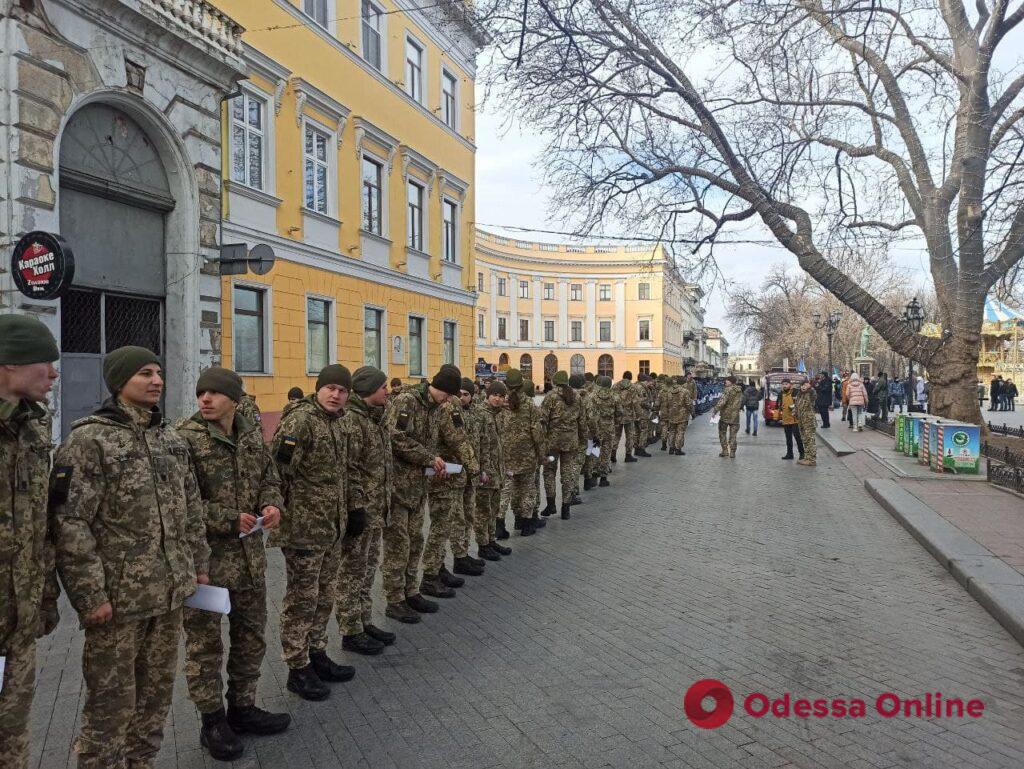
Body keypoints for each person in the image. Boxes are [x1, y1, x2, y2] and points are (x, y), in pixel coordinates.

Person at [52, 346, 211, 769]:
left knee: (155, 698)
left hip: (171, 592)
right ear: (119, 381)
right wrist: (90, 596)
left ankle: (142, 763)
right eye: (145, 373)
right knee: (111, 705)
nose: (157, 380)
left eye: (159, 372)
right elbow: (70, 522)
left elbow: (191, 508)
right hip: (120, 602)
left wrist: (199, 566)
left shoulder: (170, 438)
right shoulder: (89, 439)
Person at [178, 367, 290, 760]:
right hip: (205, 564)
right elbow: (179, 503)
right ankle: (212, 722)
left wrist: (270, 504)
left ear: (235, 399)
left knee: (251, 637)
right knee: (204, 648)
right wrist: (226, 518)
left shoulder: (250, 433)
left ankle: (243, 707)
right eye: (201, 393)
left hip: (249, 562)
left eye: (214, 393)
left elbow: (269, 477)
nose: (205, 399)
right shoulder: (184, 439)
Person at [269, 364, 358, 701]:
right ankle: (297, 666)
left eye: (342, 390)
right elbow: (278, 471)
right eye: (330, 388)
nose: (336, 395)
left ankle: (317, 652)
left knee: (324, 595)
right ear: (318, 389)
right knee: (302, 600)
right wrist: (281, 514)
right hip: (304, 530)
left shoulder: (339, 422)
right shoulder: (301, 421)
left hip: (331, 527)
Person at [0, 315, 60, 769]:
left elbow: (43, 523)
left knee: (13, 734)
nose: (54, 373)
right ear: (9, 363)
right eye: (46, 362)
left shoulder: (34, 429)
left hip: (18, 619)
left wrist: (44, 595)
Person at [383, 365, 460, 618]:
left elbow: (432, 442)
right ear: (437, 388)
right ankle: (394, 600)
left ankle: (410, 591)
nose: (449, 400)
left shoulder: (436, 408)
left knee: (415, 541)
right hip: (398, 487)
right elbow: (396, 437)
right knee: (398, 545)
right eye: (447, 394)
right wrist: (428, 458)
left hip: (418, 485)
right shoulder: (408, 401)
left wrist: (436, 462)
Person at [336, 366, 398, 652]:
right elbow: (351, 470)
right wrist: (356, 508)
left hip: (376, 511)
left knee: (367, 569)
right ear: (370, 390)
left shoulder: (375, 419)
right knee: (352, 572)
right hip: (361, 513)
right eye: (383, 386)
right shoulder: (353, 421)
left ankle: (364, 620)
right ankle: (350, 631)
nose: (387, 391)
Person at [421, 378, 481, 598]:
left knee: (446, 525)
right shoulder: (446, 407)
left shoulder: (446, 405)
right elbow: (457, 441)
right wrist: (474, 468)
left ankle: (438, 568)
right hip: (442, 475)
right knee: (440, 527)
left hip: (451, 473)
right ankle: (430, 575)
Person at [500, 369, 546, 536]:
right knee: (527, 489)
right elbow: (537, 434)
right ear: (521, 384)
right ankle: (526, 524)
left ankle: (500, 524)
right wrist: (541, 455)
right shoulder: (530, 406)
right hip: (527, 456)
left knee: (506, 489)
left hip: (506, 456)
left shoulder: (501, 405)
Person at [541, 371, 586, 520]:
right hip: (571, 442)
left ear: (554, 382)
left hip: (552, 443)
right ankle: (566, 508)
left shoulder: (550, 397)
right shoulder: (577, 397)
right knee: (567, 473)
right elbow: (582, 421)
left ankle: (551, 504)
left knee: (549, 472)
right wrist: (583, 439)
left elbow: (543, 420)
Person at [474, 381, 510, 558]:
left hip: (498, 471)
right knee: (483, 510)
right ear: (488, 395)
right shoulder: (480, 414)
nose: (498, 399)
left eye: (501, 396)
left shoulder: (501, 415)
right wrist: (482, 469)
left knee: (494, 509)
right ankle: (482, 545)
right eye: (495, 395)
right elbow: (477, 445)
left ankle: (491, 540)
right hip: (485, 472)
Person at [588, 375, 622, 479]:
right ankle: (603, 477)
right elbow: (619, 412)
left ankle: (593, 473)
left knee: (594, 450)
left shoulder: (592, 395)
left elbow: (588, 412)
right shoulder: (615, 396)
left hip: (595, 428)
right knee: (606, 451)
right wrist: (615, 422)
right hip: (609, 427)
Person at [712, 375, 743, 458]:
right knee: (733, 435)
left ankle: (725, 451)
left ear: (731, 381)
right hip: (735, 416)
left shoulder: (727, 390)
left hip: (725, 415)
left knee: (722, 433)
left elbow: (722, 402)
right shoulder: (739, 390)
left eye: (727, 380)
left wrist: (715, 410)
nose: (725, 382)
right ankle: (732, 452)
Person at [612, 372, 640, 463]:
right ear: (631, 378)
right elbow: (635, 402)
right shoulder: (633, 387)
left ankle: (613, 454)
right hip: (629, 416)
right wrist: (639, 414)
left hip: (617, 415)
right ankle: (628, 456)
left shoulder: (615, 386)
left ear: (623, 376)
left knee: (616, 436)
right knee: (630, 436)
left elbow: (612, 400)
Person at [778, 378, 804, 461]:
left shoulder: (795, 392)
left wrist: (794, 407)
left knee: (797, 437)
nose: (784, 385)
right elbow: (779, 405)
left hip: (795, 419)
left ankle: (802, 454)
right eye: (783, 384)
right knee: (788, 438)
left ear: (790, 384)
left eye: (786, 384)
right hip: (786, 419)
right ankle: (789, 454)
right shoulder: (780, 393)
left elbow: (801, 403)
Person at [795, 380, 818, 467]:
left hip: (808, 420)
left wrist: (811, 388)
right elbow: (797, 406)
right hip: (801, 420)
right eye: (802, 385)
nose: (803, 387)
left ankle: (812, 459)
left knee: (810, 439)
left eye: (805, 385)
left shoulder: (810, 393)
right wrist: (795, 412)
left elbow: (814, 396)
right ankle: (807, 457)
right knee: (804, 439)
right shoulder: (799, 395)